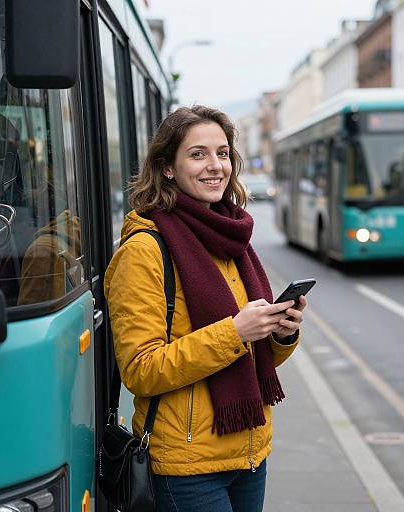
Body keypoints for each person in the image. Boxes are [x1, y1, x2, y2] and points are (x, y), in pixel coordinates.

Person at [104, 105, 307, 512]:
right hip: (186, 465)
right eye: (198, 154)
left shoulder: (233, 238)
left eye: (223, 153)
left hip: (250, 451)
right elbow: (140, 371)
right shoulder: (145, 249)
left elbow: (255, 355)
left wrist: (282, 332)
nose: (215, 166)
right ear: (166, 168)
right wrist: (235, 332)